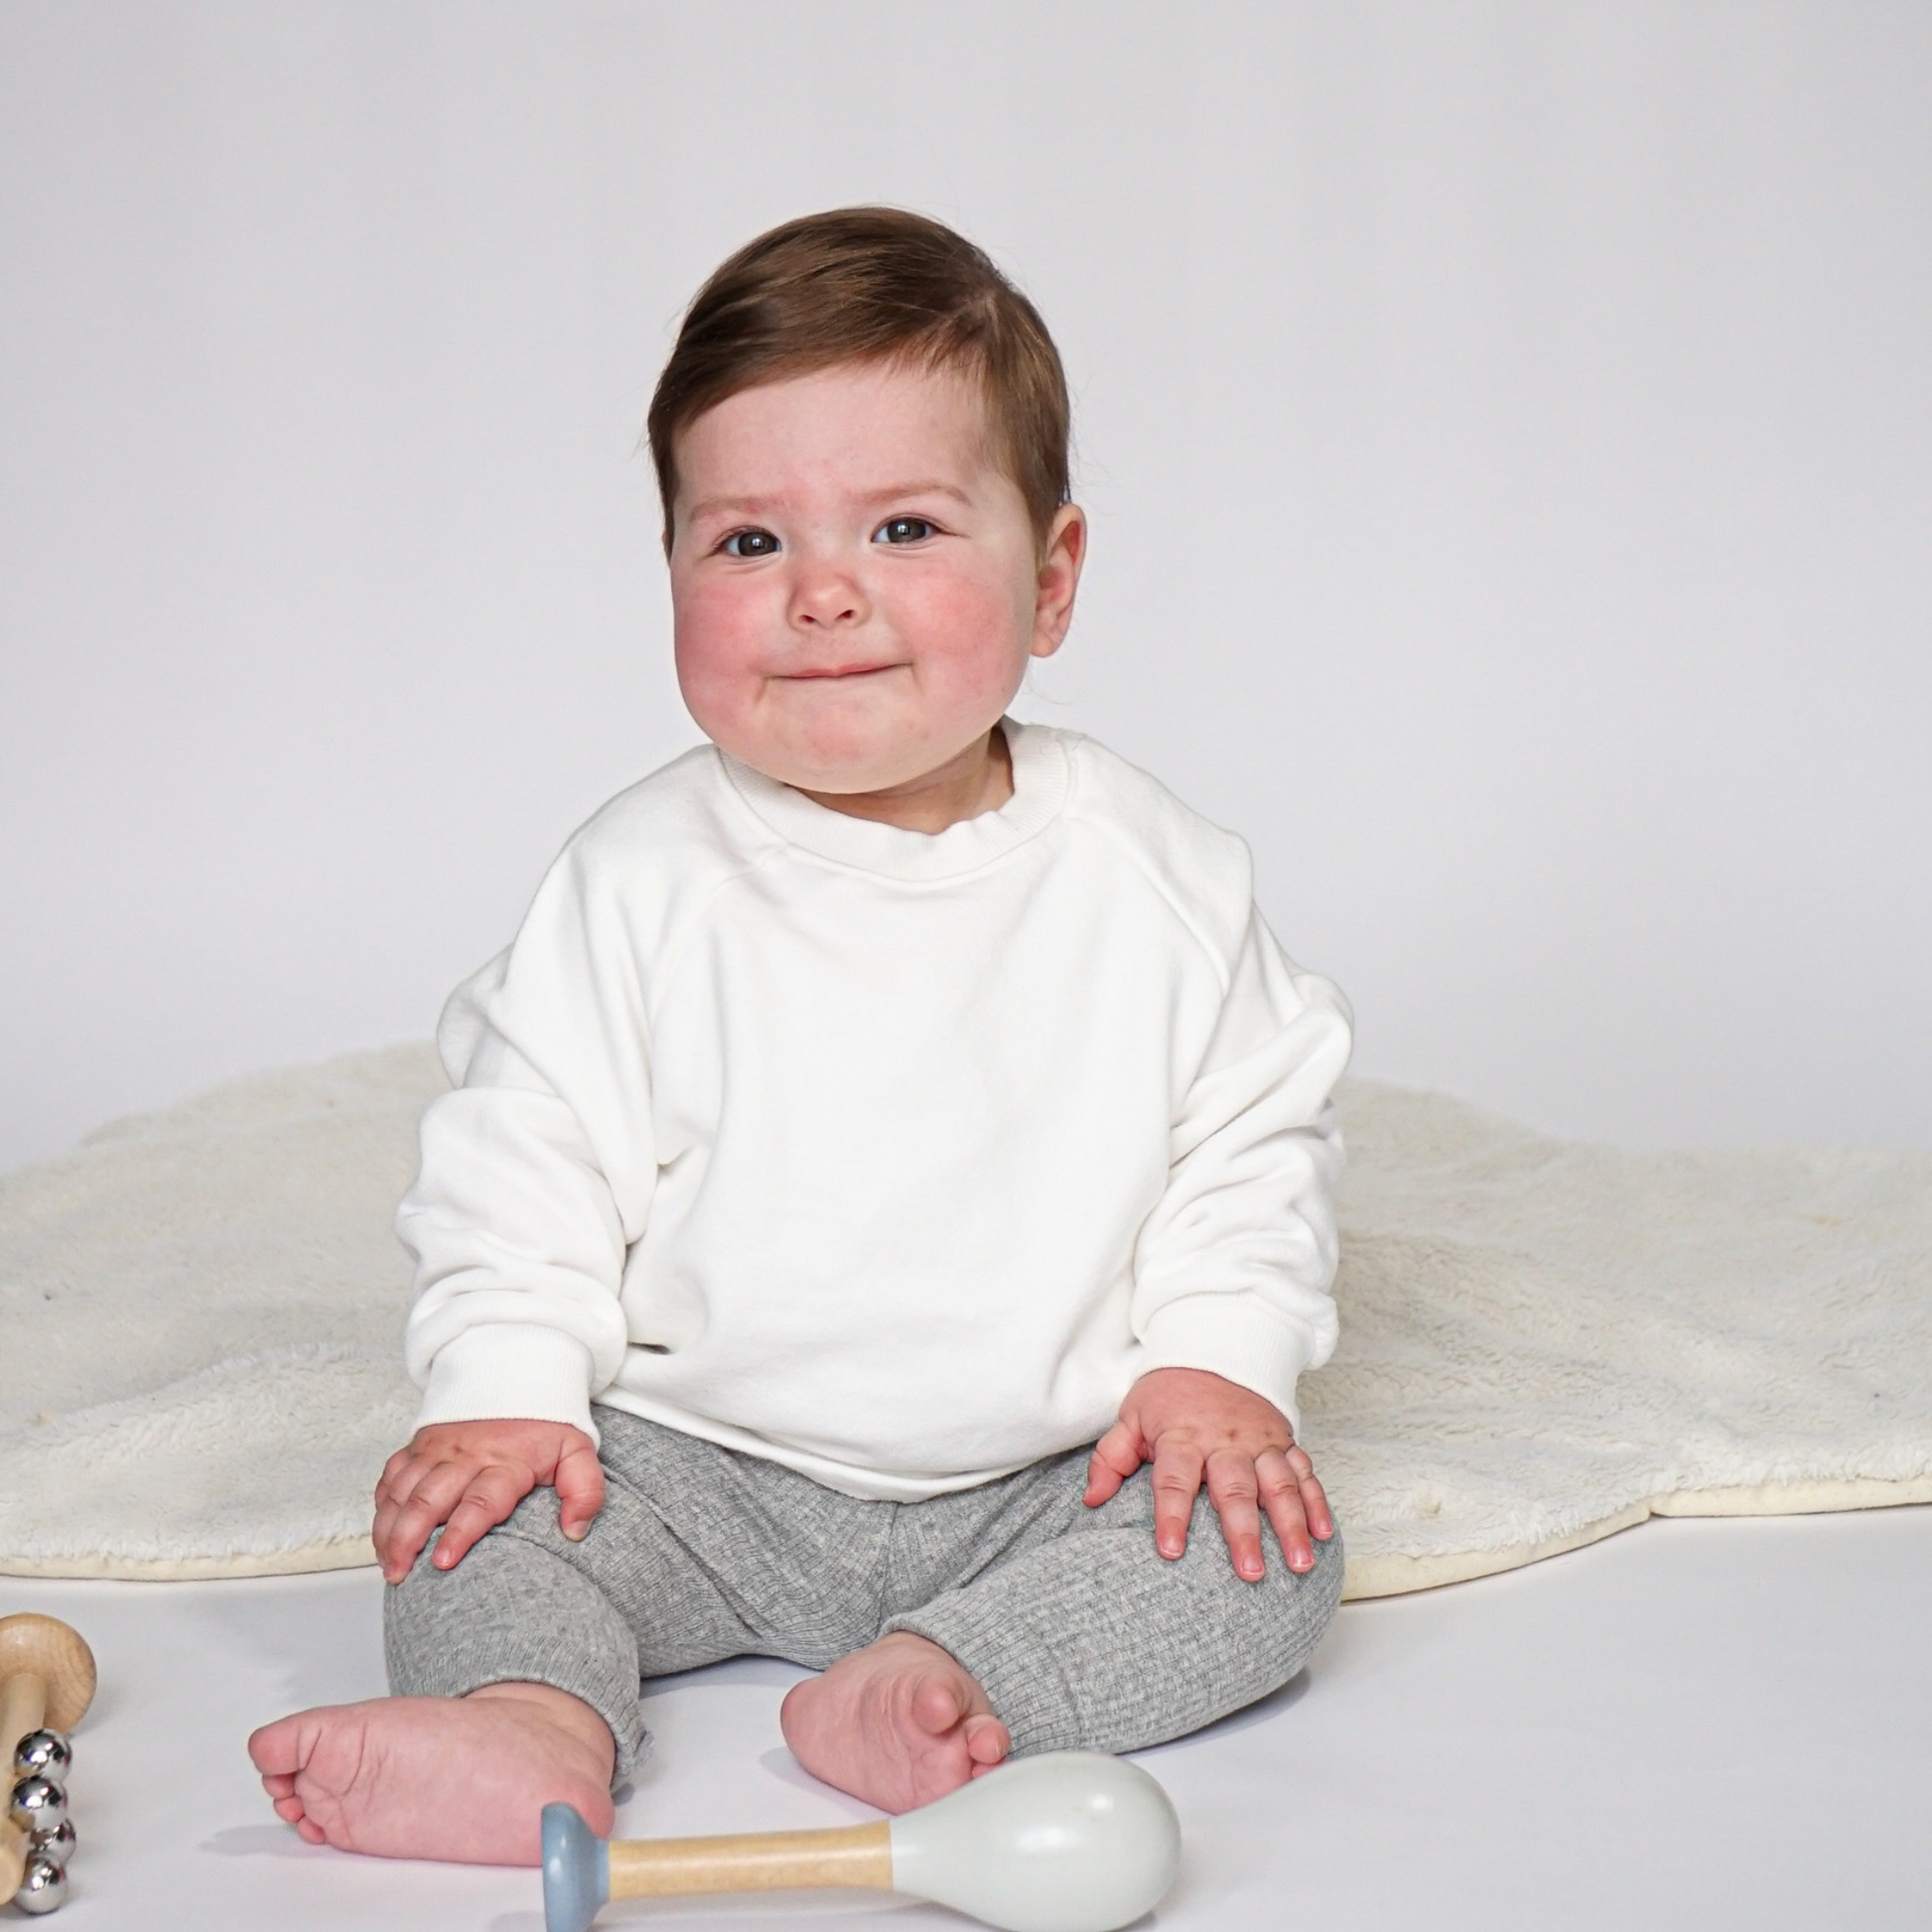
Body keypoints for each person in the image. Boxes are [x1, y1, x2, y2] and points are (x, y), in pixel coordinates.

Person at [248, 207, 1353, 1865]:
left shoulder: (1151, 873)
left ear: (1048, 580)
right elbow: (522, 1152)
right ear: (674, 568)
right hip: (697, 1465)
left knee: (1263, 1551)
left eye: (903, 526)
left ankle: (945, 1680)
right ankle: (531, 1724)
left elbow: (1249, 1137)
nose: (822, 596)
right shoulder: (635, 879)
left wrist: (1216, 1362)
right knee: (466, 1528)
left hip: (1049, 1468)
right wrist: (502, 1389)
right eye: (748, 544)